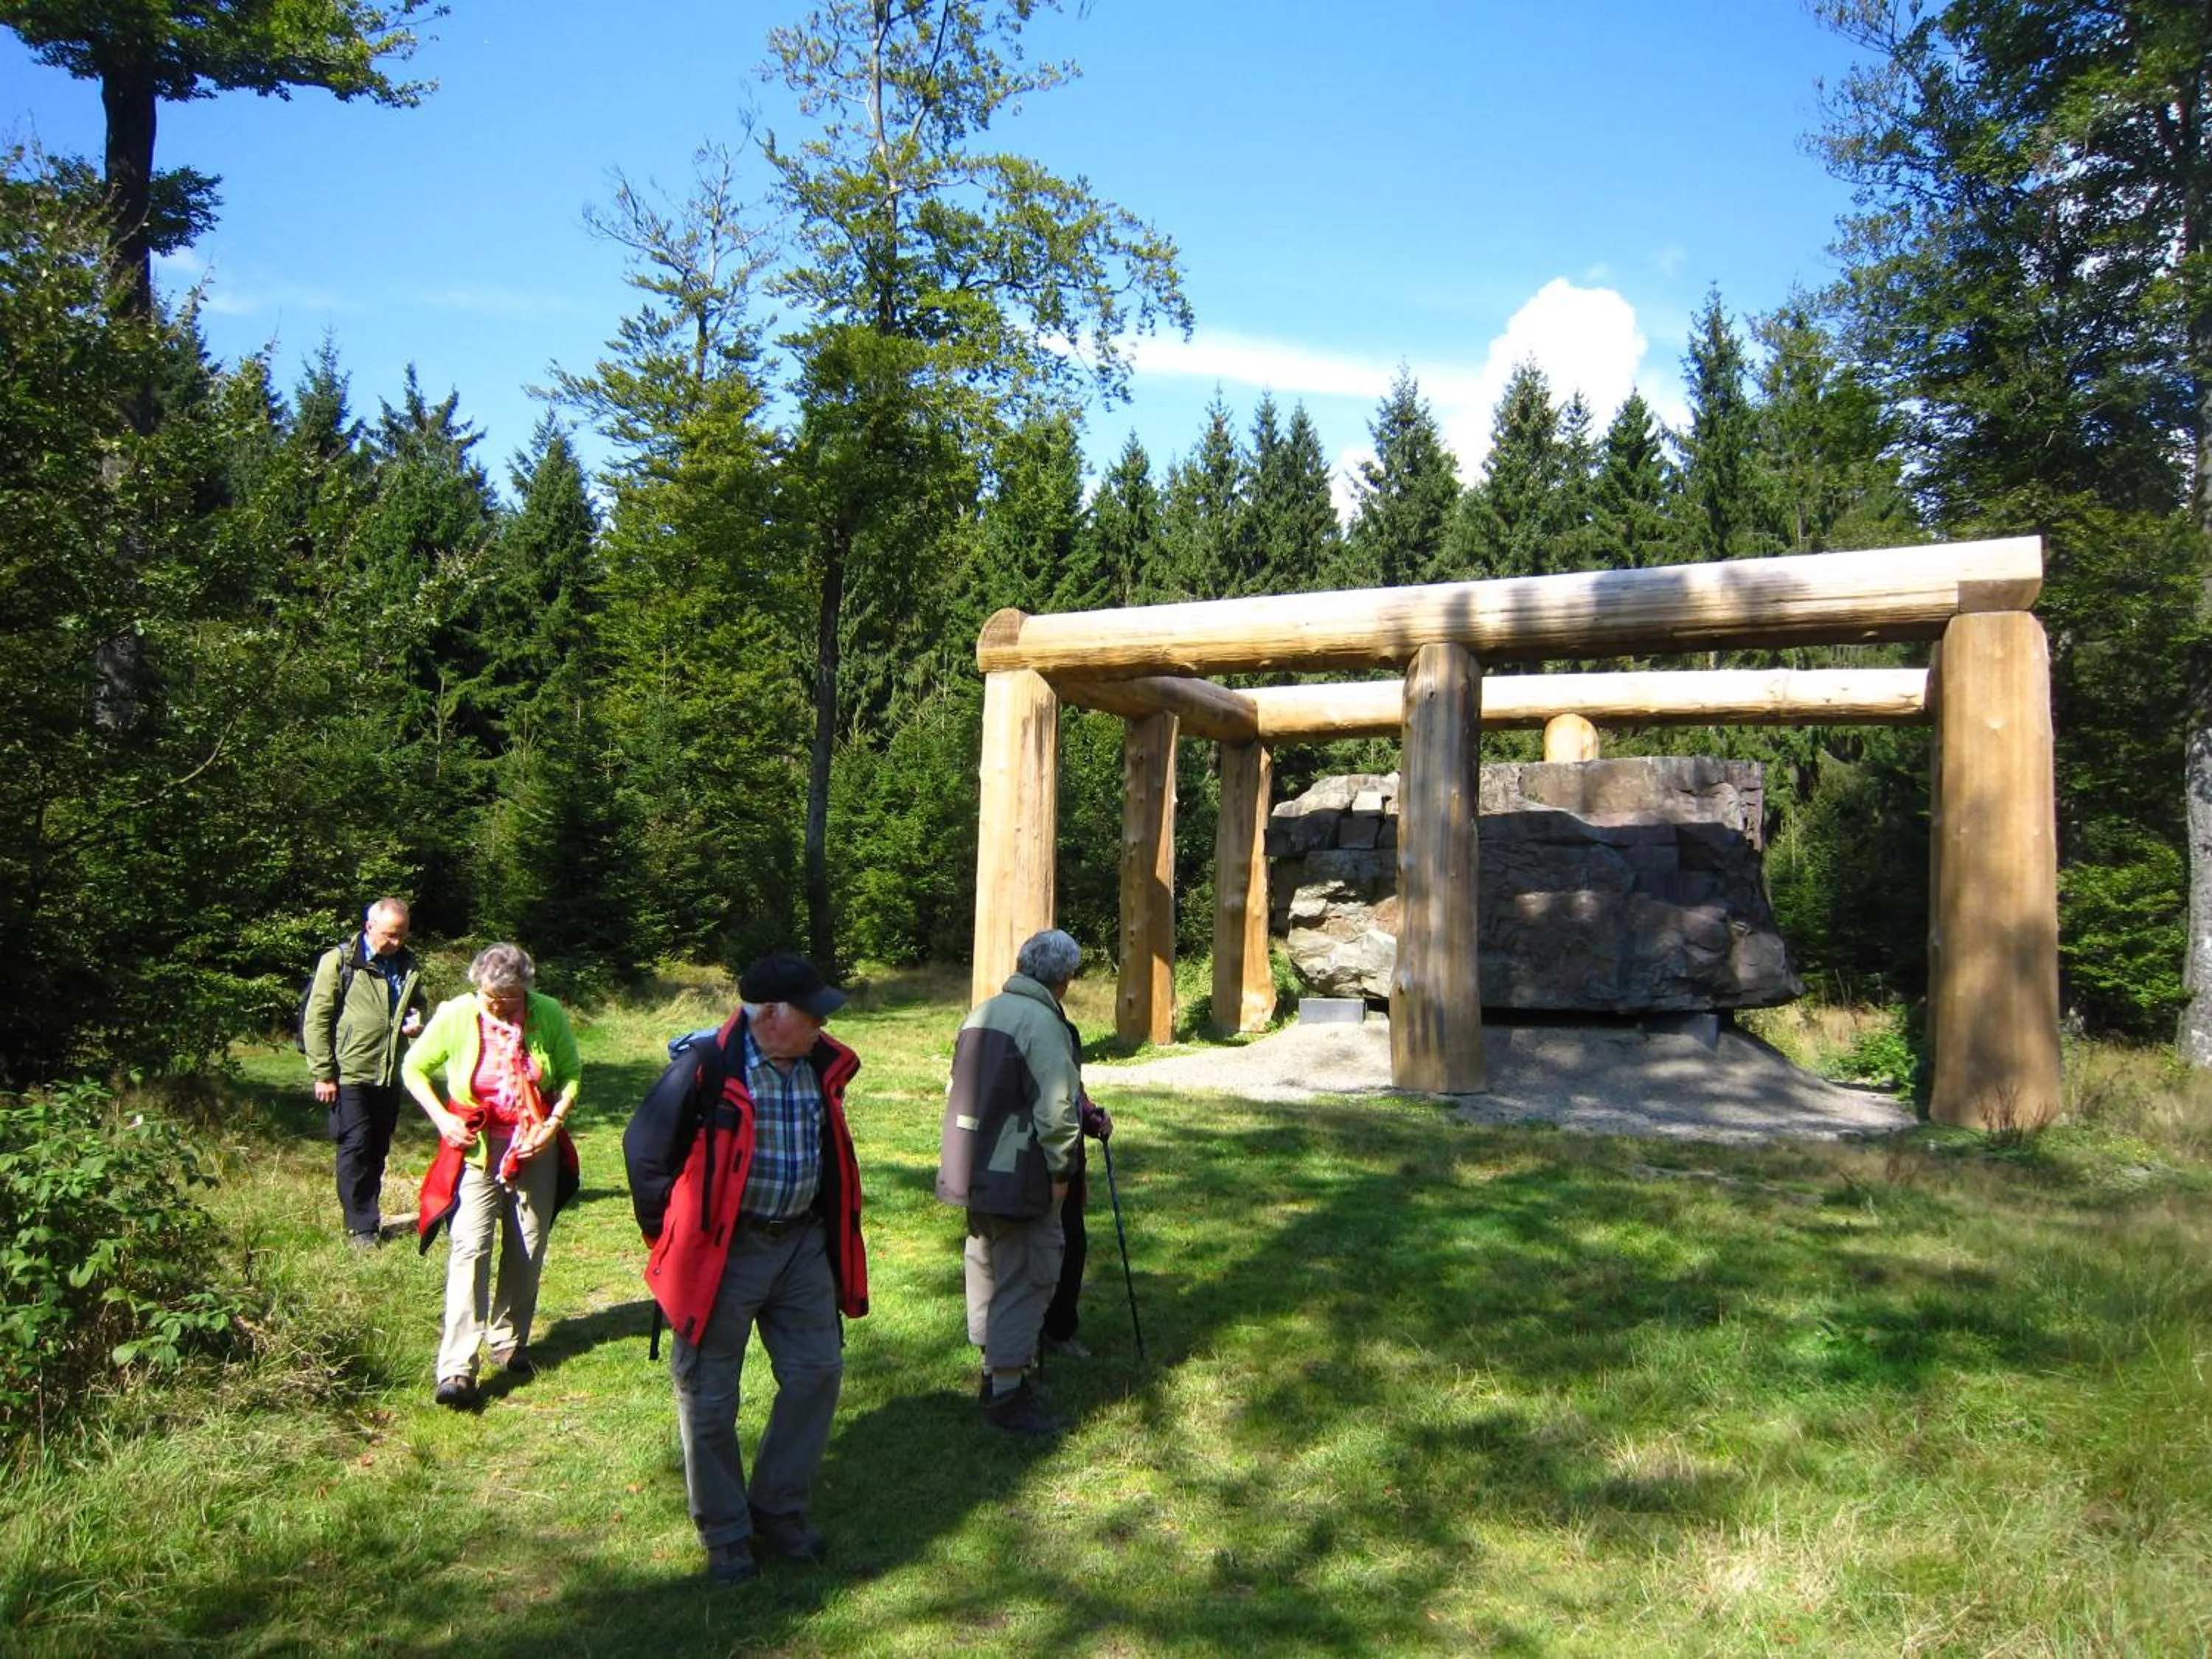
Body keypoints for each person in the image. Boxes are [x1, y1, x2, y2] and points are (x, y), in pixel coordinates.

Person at [639, 953, 867, 1588]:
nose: (822, 1024)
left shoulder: (820, 1063)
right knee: (710, 1396)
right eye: (812, 1013)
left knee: (817, 1372)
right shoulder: (705, 1067)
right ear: (769, 1013)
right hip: (725, 1253)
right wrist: (673, 1242)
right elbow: (647, 1155)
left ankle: (778, 1507)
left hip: (801, 1245)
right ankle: (726, 1533)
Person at [402, 943, 581, 1408]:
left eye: (508, 998)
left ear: (526, 990)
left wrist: (552, 1124)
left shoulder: (548, 1014)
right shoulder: (457, 1014)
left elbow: (570, 1074)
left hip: (533, 1145)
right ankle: (457, 1369)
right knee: (470, 1247)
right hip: (476, 1151)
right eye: (490, 997)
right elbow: (414, 1068)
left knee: (528, 1244)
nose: (498, 1006)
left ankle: (508, 1340)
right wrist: (443, 1118)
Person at [938, 928, 1085, 1436]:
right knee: (1026, 1279)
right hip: (1020, 1174)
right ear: (1064, 978)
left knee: (986, 1267)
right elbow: (1058, 1110)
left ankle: (993, 1373)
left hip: (973, 1168)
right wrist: (1061, 1171)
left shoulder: (982, 1012)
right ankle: (1007, 1393)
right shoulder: (1043, 1023)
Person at [303, 897, 428, 1248]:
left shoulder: (408, 964)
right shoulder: (340, 961)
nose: (397, 942)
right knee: (355, 1145)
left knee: (378, 1146)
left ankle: (368, 1218)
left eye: (402, 934)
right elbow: (317, 1017)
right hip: (350, 1071)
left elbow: (418, 1004)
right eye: (390, 934)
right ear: (369, 927)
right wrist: (323, 1073)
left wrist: (418, 1021)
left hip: (389, 1071)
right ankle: (360, 1227)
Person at [1040, 1088, 1113, 1361]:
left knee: (1071, 1247)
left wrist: (1094, 1118)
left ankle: (1056, 1330)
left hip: (1064, 1170)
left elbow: (1072, 1094)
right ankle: (1028, 1334)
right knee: (1042, 1250)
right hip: (1036, 1166)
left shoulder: (1067, 1059)